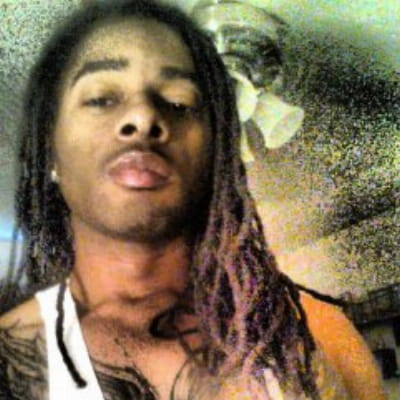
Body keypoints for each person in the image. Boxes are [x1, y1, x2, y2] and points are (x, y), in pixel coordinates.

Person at [0, 0, 386, 399]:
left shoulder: (317, 332)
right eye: (101, 98)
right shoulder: (11, 355)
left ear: (214, 157)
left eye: (179, 102)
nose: (143, 117)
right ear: (51, 152)